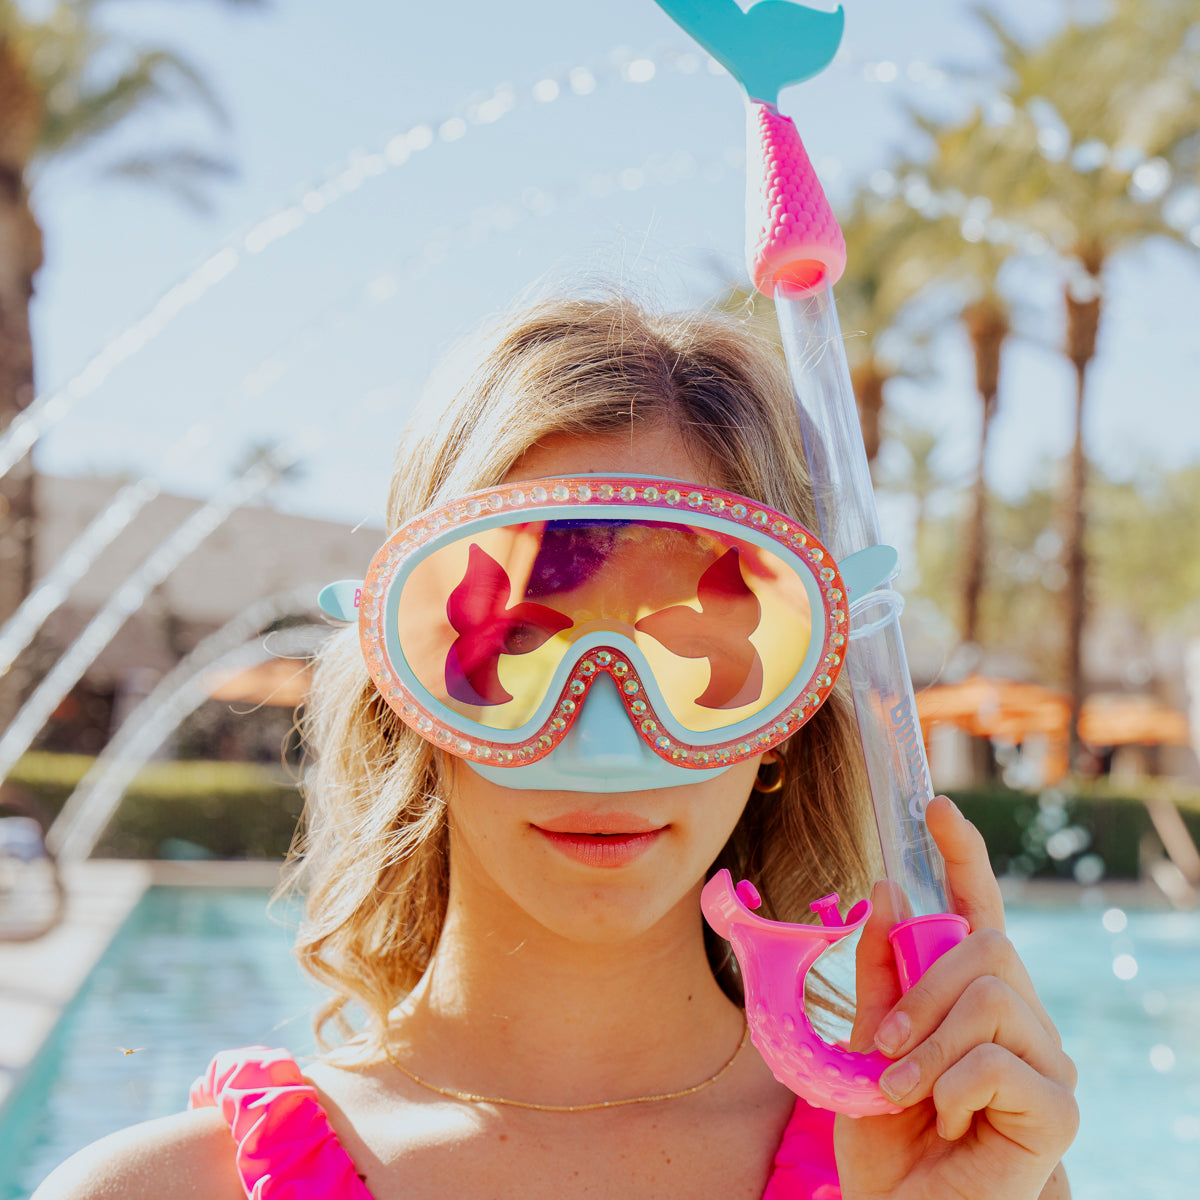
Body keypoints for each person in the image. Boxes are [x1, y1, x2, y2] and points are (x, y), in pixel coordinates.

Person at [35, 295, 1078, 1200]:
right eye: (520, 648)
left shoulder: (943, 1168)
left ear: (786, 722)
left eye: (693, 664)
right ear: (404, 687)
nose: (607, 740)